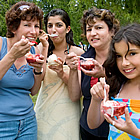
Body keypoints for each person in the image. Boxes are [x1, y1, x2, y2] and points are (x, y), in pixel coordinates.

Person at [66, 7, 120, 140]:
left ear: (112, 31)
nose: (93, 33)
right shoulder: (85, 59)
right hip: (89, 129)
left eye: (99, 28)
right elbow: (74, 96)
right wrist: (73, 69)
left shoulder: (122, 57)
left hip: (118, 128)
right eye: (89, 29)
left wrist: (103, 73)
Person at [0, 1, 48, 139]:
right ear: (14, 27)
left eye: (36, 26)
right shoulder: (1, 44)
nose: (33, 31)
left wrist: (38, 71)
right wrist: (12, 55)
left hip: (28, 124)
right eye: (27, 25)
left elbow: (33, 91)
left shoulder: (35, 50)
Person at [34, 9, 84, 140]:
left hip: (69, 112)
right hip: (45, 110)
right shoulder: (40, 48)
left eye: (59, 25)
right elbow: (35, 85)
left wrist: (62, 73)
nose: (53, 30)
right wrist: (44, 49)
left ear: (67, 29)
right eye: (50, 26)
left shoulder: (77, 53)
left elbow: (78, 92)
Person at [87, 23, 140, 139]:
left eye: (132, 54)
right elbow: (92, 124)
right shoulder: (117, 86)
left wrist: (136, 132)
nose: (125, 63)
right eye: (119, 56)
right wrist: (96, 99)